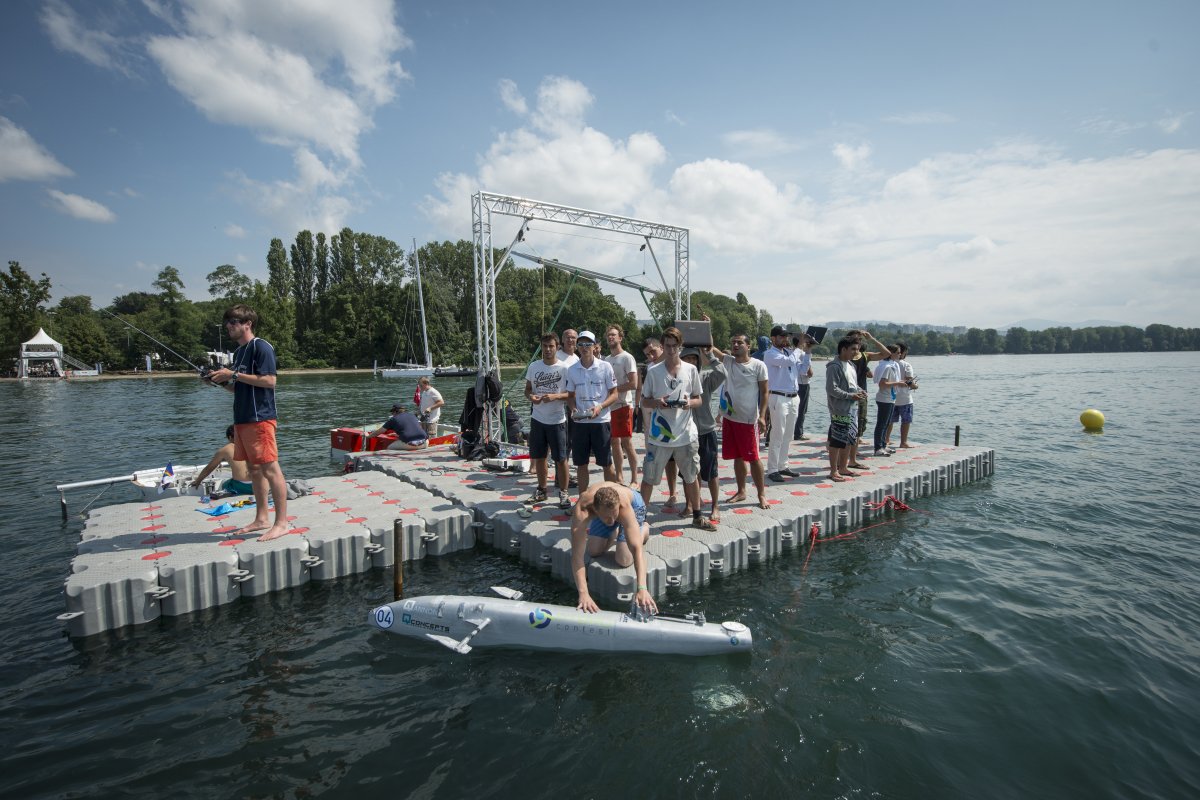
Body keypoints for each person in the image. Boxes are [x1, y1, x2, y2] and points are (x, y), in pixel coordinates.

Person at [202, 304, 289, 540]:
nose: (228, 326)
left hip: (260, 418)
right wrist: (218, 382)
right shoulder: (239, 354)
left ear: (247, 324)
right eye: (228, 322)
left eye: (233, 322)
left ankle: (281, 523)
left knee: (271, 469)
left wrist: (233, 374)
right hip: (242, 419)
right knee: (254, 470)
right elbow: (237, 388)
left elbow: (270, 381)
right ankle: (262, 518)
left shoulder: (261, 347)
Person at [640, 326, 716, 532]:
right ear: (662, 347)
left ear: (680, 347)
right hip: (660, 436)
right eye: (668, 346)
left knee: (692, 476)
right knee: (649, 478)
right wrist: (657, 402)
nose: (671, 350)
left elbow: (699, 399)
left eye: (675, 346)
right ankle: (640, 518)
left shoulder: (690, 370)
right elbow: (644, 401)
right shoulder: (653, 371)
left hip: (686, 434)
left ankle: (698, 516)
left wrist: (688, 403)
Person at [571, 481, 656, 614]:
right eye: (607, 518)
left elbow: (637, 549)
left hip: (634, 504)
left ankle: (643, 528)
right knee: (593, 551)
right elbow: (576, 555)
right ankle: (615, 532)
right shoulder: (583, 508)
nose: (611, 521)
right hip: (607, 509)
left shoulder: (623, 506)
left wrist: (642, 588)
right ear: (595, 510)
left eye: (614, 516)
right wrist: (583, 594)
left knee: (624, 559)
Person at [712, 333, 769, 509]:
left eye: (740, 342)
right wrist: (707, 326)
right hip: (730, 417)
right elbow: (710, 347)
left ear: (748, 346)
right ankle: (741, 490)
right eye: (733, 343)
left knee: (753, 457)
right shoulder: (728, 361)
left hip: (748, 419)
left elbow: (765, 392)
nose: (736, 345)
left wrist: (762, 416)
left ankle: (761, 494)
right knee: (737, 456)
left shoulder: (758, 365)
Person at [564, 330, 618, 495]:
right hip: (580, 423)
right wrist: (573, 408)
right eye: (581, 344)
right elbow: (570, 396)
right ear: (577, 346)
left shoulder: (605, 366)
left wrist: (600, 407)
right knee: (581, 463)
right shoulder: (572, 369)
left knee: (606, 462)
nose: (584, 347)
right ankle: (582, 498)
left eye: (588, 344)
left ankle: (611, 497)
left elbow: (615, 394)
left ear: (595, 346)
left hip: (600, 421)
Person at [524, 332, 571, 509]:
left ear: (557, 347)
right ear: (541, 348)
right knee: (540, 457)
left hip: (557, 420)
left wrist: (556, 396)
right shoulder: (534, 366)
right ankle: (542, 490)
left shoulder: (564, 368)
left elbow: (571, 394)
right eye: (545, 346)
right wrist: (531, 397)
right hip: (537, 418)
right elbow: (527, 390)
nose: (548, 349)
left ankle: (564, 492)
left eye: (551, 346)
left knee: (561, 458)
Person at [681, 344, 726, 523]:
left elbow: (722, 373)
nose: (691, 362)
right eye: (687, 358)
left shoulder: (705, 378)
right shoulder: (676, 378)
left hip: (706, 430)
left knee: (712, 471)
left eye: (694, 358)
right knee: (688, 472)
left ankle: (715, 506)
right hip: (684, 432)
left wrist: (709, 354)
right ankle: (690, 504)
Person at [762, 325, 803, 482]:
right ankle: (772, 468)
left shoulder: (789, 353)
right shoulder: (770, 354)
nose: (785, 339)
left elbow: (803, 369)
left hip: (793, 396)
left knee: (789, 434)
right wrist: (799, 348)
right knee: (778, 433)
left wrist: (807, 350)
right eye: (782, 336)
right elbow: (788, 362)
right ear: (773, 338)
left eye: (786, 337)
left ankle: (783, 465)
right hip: (778, 396)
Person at [641, 336, 679, 506]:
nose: (651, 357)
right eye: (647, 355)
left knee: (677, 462)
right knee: (653, 462)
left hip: (675, 422)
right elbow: (643, 397)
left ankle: (679, 496)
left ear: (661, 348)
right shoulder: (650, 369)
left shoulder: (674, 362)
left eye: (653, 352)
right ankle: (645, 504)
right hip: (654, 421)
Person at [826, 336, 869, 482]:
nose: (856, 352)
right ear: (843, 349)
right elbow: (832, 389)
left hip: (852, 408)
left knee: (849, 439)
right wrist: (851, 395)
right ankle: (833, 471)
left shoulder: (851, 365)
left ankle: (843, 467)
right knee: (837, 440)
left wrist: (860, 391)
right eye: (853, 349)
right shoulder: (834, 366)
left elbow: (853, 384)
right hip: (839, 409)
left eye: (857, 349)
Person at [604, 324, 639, 487]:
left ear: (620, 337)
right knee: (614, 441)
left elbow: (633, 383)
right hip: (610, 406)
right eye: (608, 335)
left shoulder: (627, 357)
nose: (610, 337)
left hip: (624, 405)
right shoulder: (606, 360)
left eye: (613, 335)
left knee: (627, 442)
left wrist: (614, 391)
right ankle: (619, 476)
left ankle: (634, 478)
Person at [190, 425, 253, 495]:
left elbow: (210, 467)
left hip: (243, 486)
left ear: (230, 437)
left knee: (225, 484)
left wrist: (198, 481)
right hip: (259, 484)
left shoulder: (226, 449)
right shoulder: (251, 445)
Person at [873, 345, 905, 456]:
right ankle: (878, 448)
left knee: (886, 424)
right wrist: (898, 383)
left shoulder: (892, 365)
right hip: (884, 399)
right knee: (882, 424)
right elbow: (882, 384)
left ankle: (883, 445)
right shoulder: (887, 367)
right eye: (898, 352)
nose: (900, 354)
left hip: (890, 398)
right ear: (890, 353)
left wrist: (902, 382)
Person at [887, 342, 917, 448]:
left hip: (891, 397)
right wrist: (915, 386)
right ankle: (903, 442)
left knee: (890, 420)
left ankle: (886, 439)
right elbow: (909, 382)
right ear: (903, 352)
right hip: (905, 398)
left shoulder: (888, 364)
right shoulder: (906, 365)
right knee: (906, 421)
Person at [792, 333, 816, 441]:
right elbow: (809, 372)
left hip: (794, 384)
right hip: (803, 384)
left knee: (795, 409)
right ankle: (799, 433)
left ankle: (795, 431)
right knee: (802, 409)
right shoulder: (803, 354)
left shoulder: (792, 353)